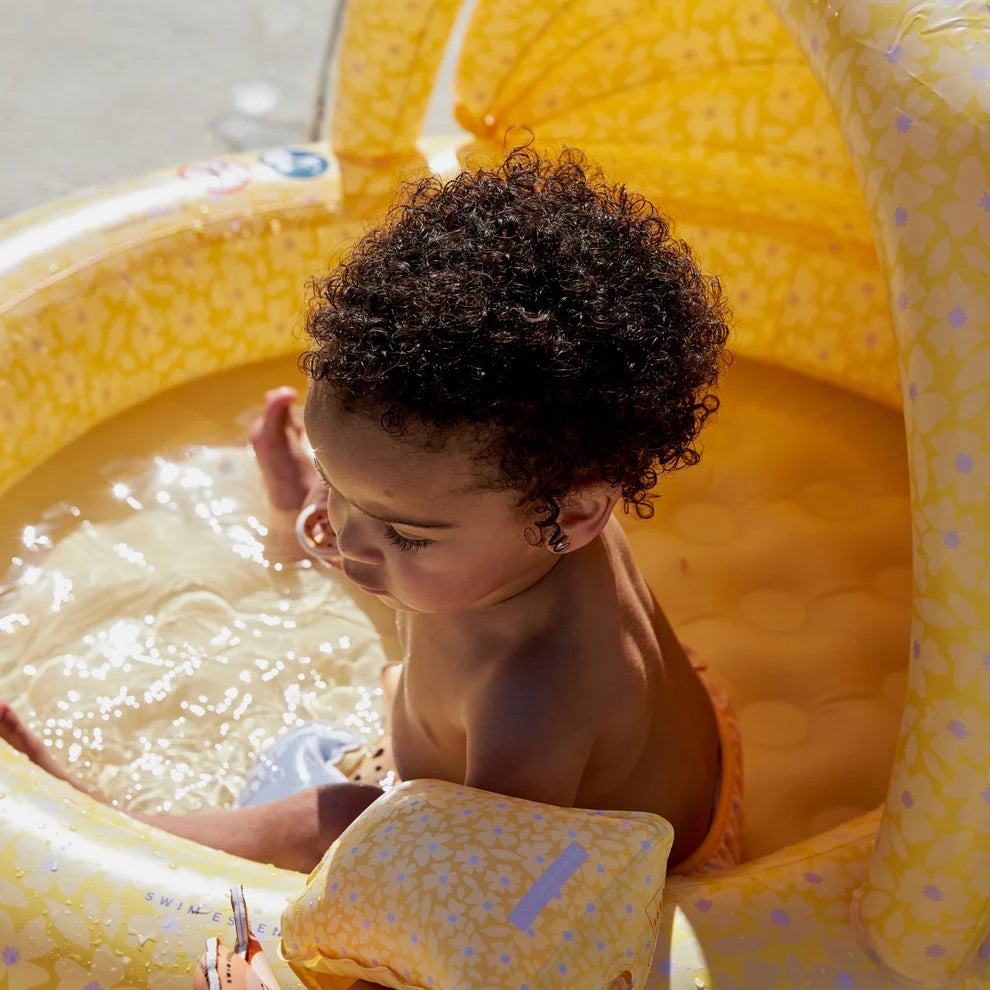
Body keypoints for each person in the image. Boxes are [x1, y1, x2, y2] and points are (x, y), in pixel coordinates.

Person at [0, 146, 737, 883]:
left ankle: (103, 833)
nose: (347, 540)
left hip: (604, 859)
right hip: (659, 750)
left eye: (404, 530)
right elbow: (423, 553)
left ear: (574, 512)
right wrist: (339, 512)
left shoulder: (533, 707)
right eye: (335, 483)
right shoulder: (533, 506)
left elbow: (477, 907)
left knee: (331, 819)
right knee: (421, 604)